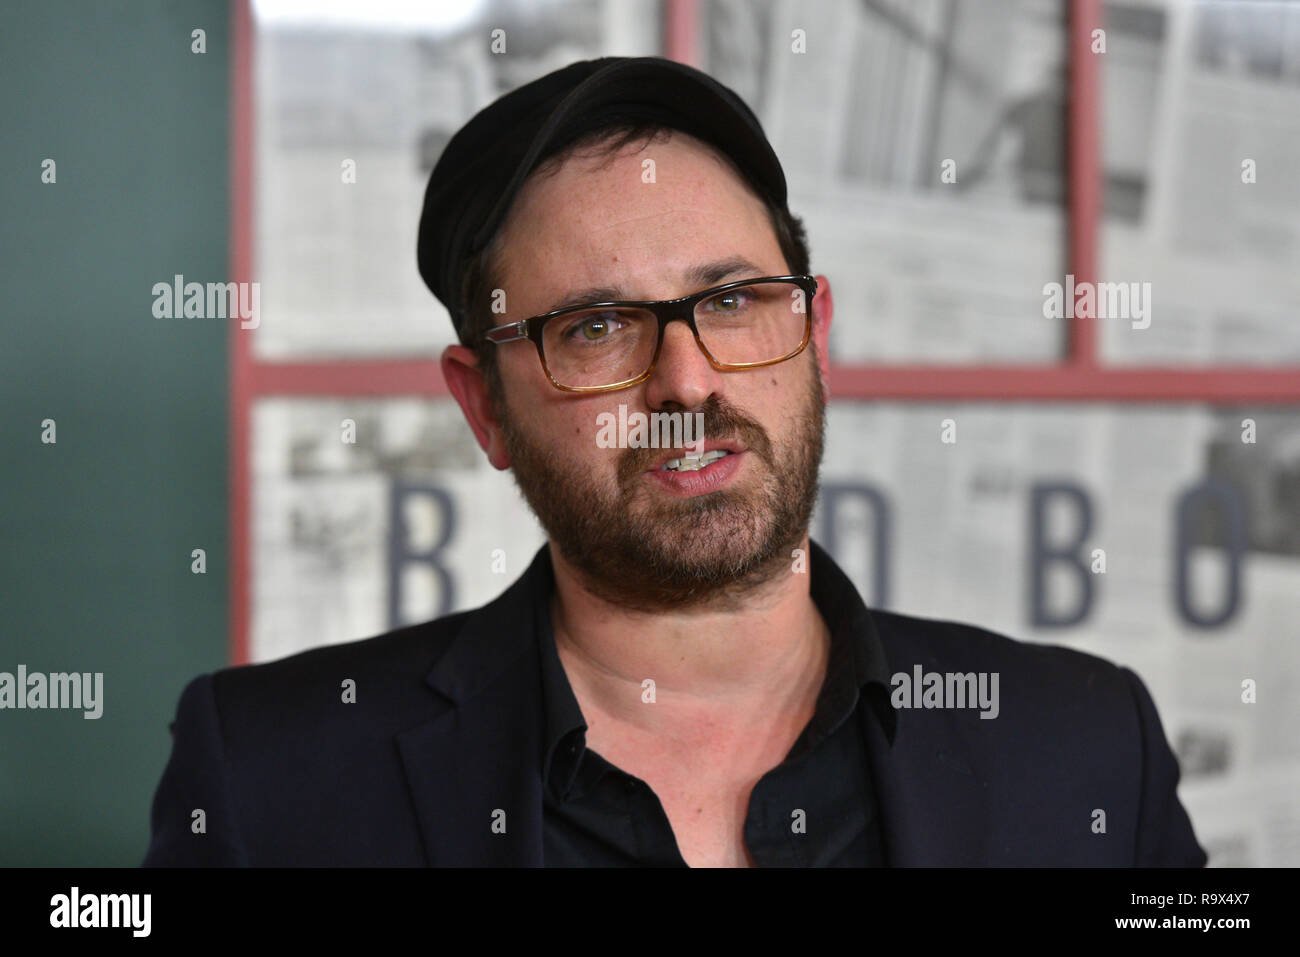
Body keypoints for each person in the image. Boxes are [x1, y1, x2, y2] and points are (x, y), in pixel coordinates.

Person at [143, 56, 1207, 867]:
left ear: (813, 331)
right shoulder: (270, 781)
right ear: (486, 405)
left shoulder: (1086, 750)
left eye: (734, 302)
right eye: (597, 327)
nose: (687, 382)